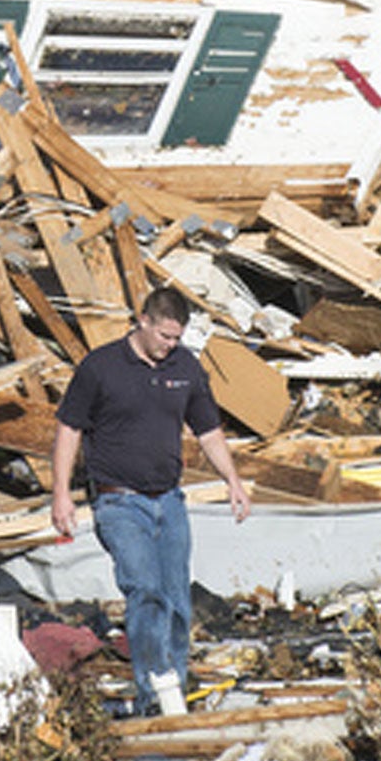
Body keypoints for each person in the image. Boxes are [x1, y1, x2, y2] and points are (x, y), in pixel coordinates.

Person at [50, 287, 251, 717]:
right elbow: (69, 429)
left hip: (170, 501)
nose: (169, 346)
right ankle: (152, 693)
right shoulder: (101, 367)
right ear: (142, 321)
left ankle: (171, 688)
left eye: (177, 338)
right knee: (145, 591)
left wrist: (232, 480)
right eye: (164, 336)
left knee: (177, 598)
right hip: (119, 502)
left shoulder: (185, 368)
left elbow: (208, 431)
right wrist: (61, 494)